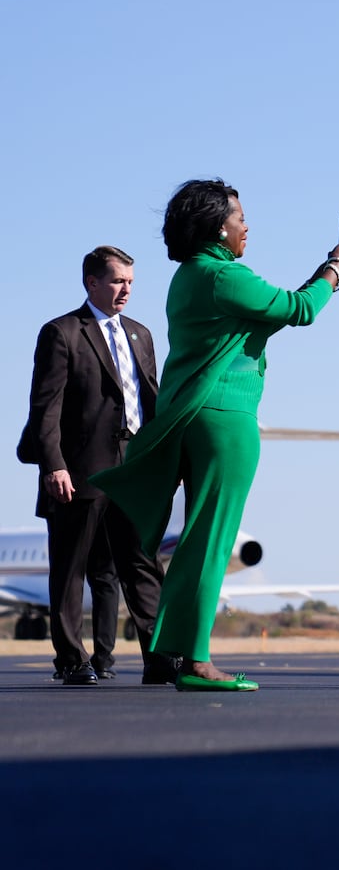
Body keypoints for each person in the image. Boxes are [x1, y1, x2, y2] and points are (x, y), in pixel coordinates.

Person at [92, 179, 339, 692]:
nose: (247, 226)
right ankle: (196, 661)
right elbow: (299, 309)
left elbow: (279, 308)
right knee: (213, 541)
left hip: (191, 415)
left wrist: (326, 272)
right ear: (219, 226)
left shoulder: (189, 276)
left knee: (197, 540)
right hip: (225, 418)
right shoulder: (224, 275)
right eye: (240, 217)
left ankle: (175, 650)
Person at [18, 246, 166, 686]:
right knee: (71, 568)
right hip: (81, 469)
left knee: (141, 565)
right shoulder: (62, 333)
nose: (126, 290)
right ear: (92, 283)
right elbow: (45, 408)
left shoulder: (141, 333)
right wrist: (54, 465)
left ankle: (158, 656)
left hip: (134, 467)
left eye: (132, 282)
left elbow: (150, 401)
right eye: (118, 281)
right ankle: (72, 660)